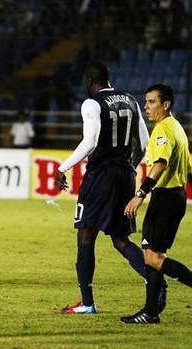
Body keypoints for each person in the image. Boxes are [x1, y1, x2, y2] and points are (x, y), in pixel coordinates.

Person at [55, 61, 154, 314]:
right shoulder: (131, 100)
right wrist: (129, 165)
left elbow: (90, 141)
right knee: (120, 239)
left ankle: (87, 303)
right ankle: (154, 281)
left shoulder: (91, 103)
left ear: (89, 81)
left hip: (100, 176)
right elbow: (144, 143)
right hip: (125, 175)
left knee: (86, 233)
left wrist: (63, 167)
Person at [121, 84, 192, 324]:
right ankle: (150, 312)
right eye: (146, 102)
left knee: (153, 258)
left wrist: (139, 194)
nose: (146, 107)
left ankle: (152, 310)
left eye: (152, 102)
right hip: (171, 197)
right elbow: (189, 167)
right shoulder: (176, 127)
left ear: (166, 104)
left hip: (167, 199)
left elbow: (159, 164)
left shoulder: (163, 130)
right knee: (150, 254)